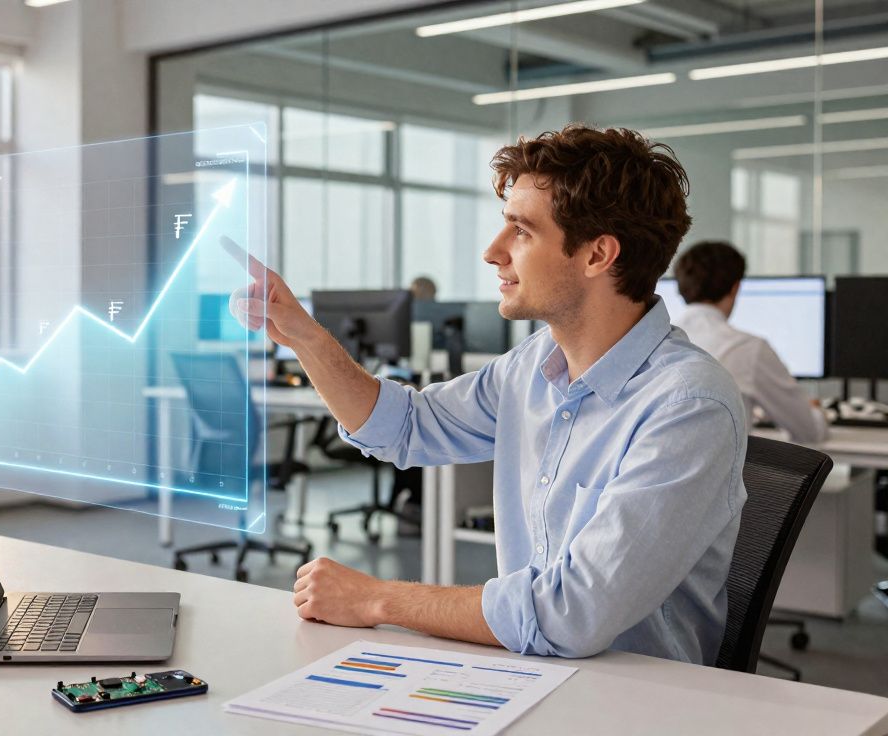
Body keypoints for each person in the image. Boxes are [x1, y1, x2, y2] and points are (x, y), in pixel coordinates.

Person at [228, 125, 747, 664]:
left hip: (640, 700)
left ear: (597, 255)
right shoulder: (531, 366)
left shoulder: (688, 406)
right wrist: (302, 336)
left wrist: (376, 598)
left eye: (521, 231)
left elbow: (571, 613)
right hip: (530, 673)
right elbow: (404, 428)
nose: (492, 252)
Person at [672, 240, 829, 445]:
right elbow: (808, 431)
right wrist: (817, 411)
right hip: (721, 475)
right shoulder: (748, 349)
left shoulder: (658, 340)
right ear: (736, 288)